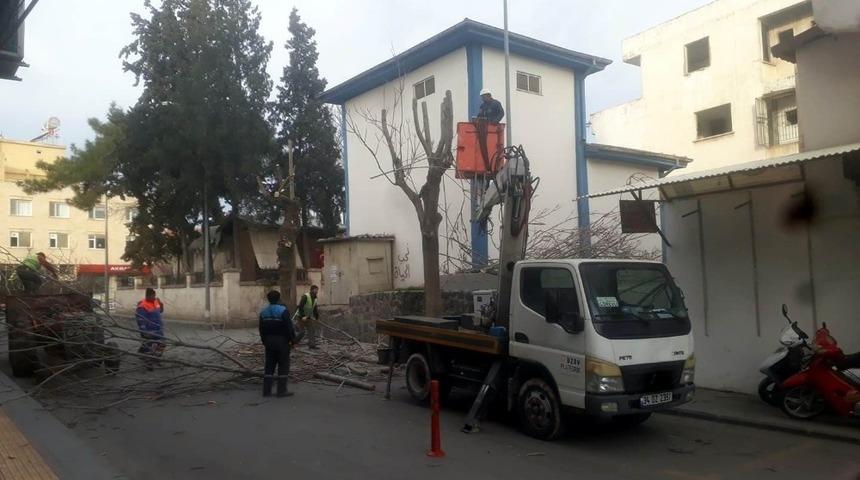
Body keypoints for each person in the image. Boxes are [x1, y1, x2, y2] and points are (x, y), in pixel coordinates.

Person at [259, 290, 296, 397]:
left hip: (269, 342)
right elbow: (289, 328)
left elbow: (261, 329)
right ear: (279, 298)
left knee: (269, 366)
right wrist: (292, 341)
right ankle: (281, 391)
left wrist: (264, 341)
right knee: (283, 365)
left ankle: (266, 391)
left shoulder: (263, 312)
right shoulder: (283, 310)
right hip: (282, 342)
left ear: (268, 299)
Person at [135, 288, 165, 370]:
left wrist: (161, 304)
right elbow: (140, 319)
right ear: (147, 296)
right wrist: (144, 331)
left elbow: (160, 311)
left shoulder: (156, 302)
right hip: (148, 329)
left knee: (162, 344)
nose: (154, 297)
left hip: (158, 328)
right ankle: (148, 363)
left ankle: (156, 359)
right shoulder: (142, 306)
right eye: (152, 296)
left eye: (154, 295)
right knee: (148, 346)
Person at [297, 285, 320, 349]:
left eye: (317, 290)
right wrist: (303, 316)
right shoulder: (305, 296)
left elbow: (314, 308)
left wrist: (317, 317)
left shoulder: (315, 298)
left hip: (308, 317)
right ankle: (293, 342)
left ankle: (312, 345)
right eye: (316, 290)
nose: (317, 291)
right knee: (302, 332)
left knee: (311, 330)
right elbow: (300, 307)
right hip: (301, 317)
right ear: (312, 290)